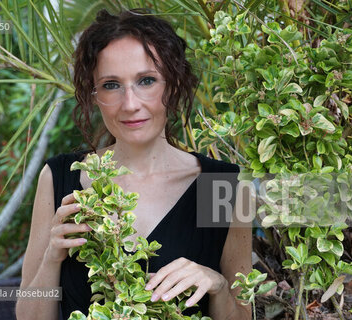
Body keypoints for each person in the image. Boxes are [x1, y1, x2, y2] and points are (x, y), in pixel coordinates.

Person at [16, 9, 252, 320]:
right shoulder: (59, 176)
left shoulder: (221, 186)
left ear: (173, 84)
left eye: (146, 80)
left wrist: (218, 285)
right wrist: (52, 257)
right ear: (95, 94)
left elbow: (242, 314)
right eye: (111, 85)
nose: (130, 104)